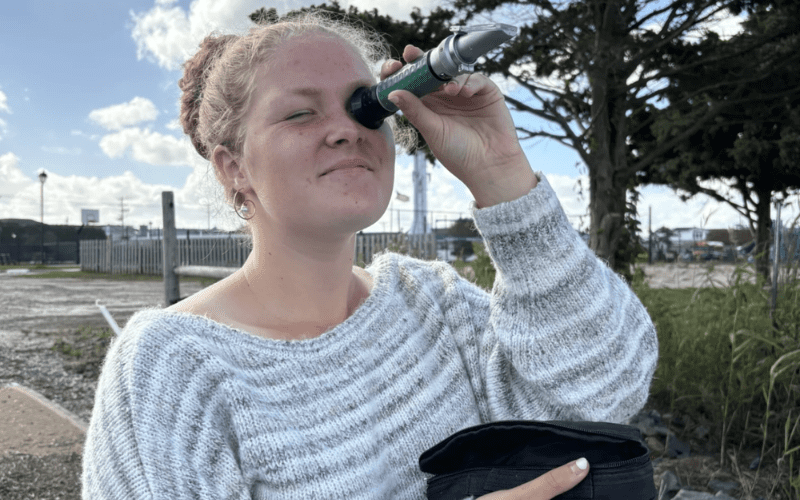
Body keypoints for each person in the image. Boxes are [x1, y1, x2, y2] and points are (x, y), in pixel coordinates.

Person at [81, 10, 659, 500]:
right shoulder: (170, 369)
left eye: (364, 107)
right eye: (301, 112)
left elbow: (606, 392)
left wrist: (501, 174)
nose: (345, 131)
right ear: (233, 167)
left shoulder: (431, 302)